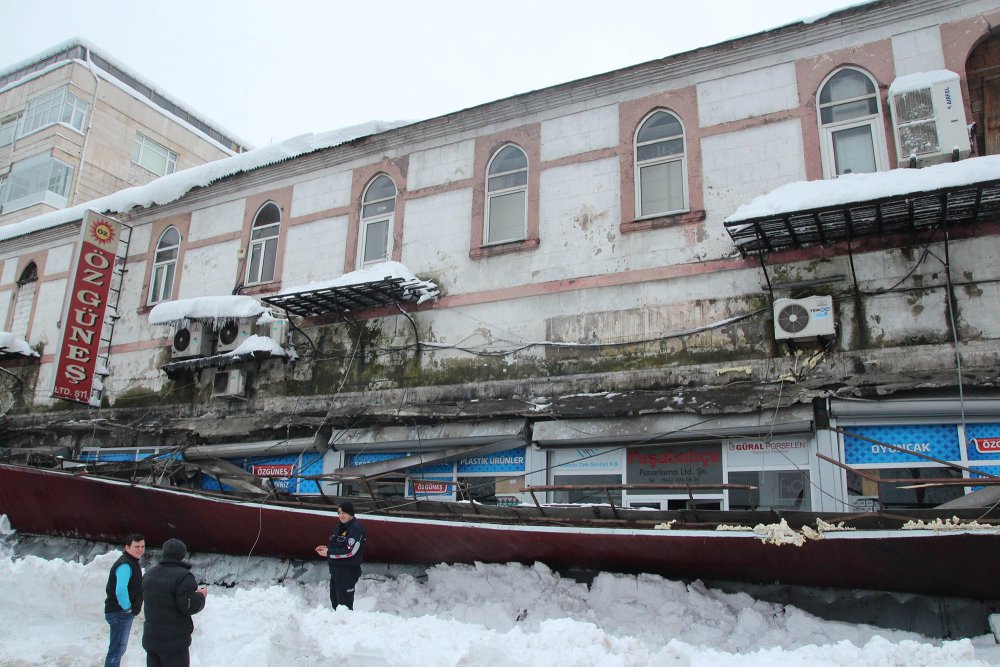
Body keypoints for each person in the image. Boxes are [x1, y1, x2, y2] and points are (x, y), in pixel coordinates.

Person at [141, 538, 207, 667]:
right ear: (182, 555)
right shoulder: (183, 576)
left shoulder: (149, 574)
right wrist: (201, 596)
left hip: (152, 639)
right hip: (174, 643)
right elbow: (188, 605)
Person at [315, 500, 366, 610]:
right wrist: (327, 548)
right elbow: (338, 545)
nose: (341, 515)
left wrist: (328, 553)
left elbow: (350, 551)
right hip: (336, 570)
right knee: (335, 603)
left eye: (344, 513)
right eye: (339, 513)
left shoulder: (356, 529)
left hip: (347, 571)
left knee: (345, 607)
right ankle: (337, 625)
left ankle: (347, 626)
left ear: (351, 513)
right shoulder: (340, 527)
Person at [104, 533, 145, 667]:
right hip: (119, 613)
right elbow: (120, 590)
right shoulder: (125, 565)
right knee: (117, 650)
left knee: (118, 649)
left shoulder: (131, 562)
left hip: (120, 612)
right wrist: (127, 608)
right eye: (136, 546)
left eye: (142, 546)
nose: (140, 549)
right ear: (127, 548)